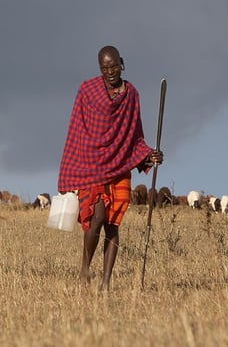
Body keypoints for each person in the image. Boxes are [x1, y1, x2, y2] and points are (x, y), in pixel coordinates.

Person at [57, 45, 163, 290]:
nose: (110, 71)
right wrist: (70, 171)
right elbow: (76, 130)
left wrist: (149, 155)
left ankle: (106, 283)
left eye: (114, 66)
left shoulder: (131, 94)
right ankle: (85, 270)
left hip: (119, 166)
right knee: (96, 219)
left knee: (112, 224)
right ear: (99, 68)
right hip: (92, 165)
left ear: (121, 63)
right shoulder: (87, 90)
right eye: (105, 68)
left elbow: (134, 135)